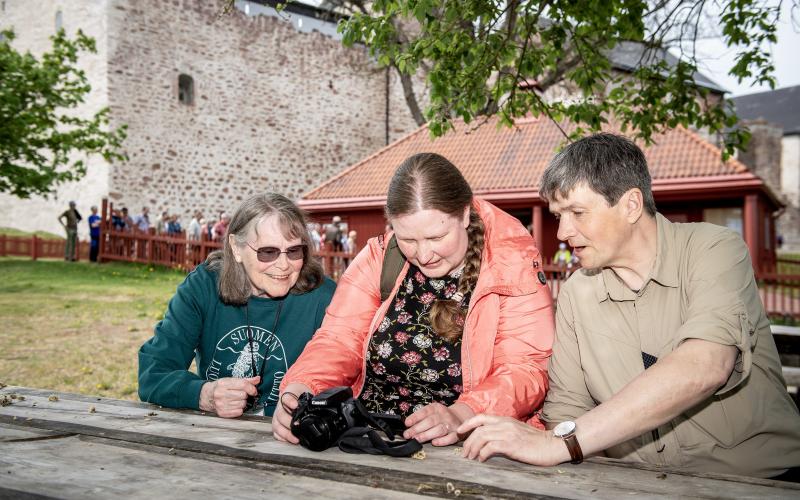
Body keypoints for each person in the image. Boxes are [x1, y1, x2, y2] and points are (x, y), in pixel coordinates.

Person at [459, 133, 800, 480]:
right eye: (558, 215)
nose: (562, 231)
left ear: (631, 205)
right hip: (637, 483)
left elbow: (706, 364)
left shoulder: (714, 250)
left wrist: (562, 444)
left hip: (761, 482)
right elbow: (568, 406)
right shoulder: (579, 291)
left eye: (577, 212)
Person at [273, 152, 554, 446]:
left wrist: (462, 414)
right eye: (408, 240)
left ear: (463, 215)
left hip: (467, 445)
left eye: (436, 238)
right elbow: (338, 340)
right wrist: (300, 388)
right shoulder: (379, 258)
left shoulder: (512, 266)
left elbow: (527, 367)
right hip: (369, 436)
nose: (423, 255)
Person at [138, 193, 336, 417]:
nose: (284, 265)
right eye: (267, 252)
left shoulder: (325, 298)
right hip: (217, 434)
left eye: (293, 251)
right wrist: (204, 394)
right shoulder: (204, 286)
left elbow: (346, 379)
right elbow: (153, 372)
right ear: (236, 247)